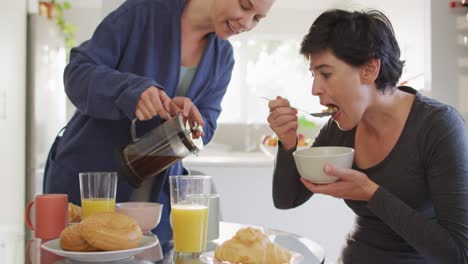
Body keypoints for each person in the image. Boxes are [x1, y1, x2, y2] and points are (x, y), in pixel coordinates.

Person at [44, 0, 275, 245]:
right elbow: (77, 73)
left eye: (257, 18)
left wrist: (187, 123)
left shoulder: (223, 57)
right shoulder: (141, 13)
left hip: (155, 200)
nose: (246, 22)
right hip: (93, 184)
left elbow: (205, 126)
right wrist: (133, 92)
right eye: (244, 5)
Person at [267, 9, 468, 264]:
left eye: (326, 74)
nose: (315, 89)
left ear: (369, 70)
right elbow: (288, 199)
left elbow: (458, 253)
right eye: (313, 75)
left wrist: (372, 193)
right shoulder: (341, 125)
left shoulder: (438, 126)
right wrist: (287, 141)